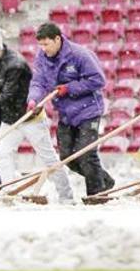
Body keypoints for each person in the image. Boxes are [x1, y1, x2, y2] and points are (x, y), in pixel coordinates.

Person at [0, 27, 73, 201]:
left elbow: (8, 95)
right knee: (3, 155)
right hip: (10, 119)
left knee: (48, 158)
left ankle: (67, 196)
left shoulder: (15, 64)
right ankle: (11, 192)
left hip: (30, 118)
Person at [27, 22, 114, 196]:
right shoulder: (42, 58)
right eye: (41, 45)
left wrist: (69, 88)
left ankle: (96, 195)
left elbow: (98, 80)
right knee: (67, 157)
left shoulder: (79, 54)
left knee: (86, 154)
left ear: (57, 39)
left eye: (46, 44)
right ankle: (104, 180)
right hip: (65, 113)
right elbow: (38, 82)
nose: (43, 49)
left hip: (88, 110)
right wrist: (33, 99)